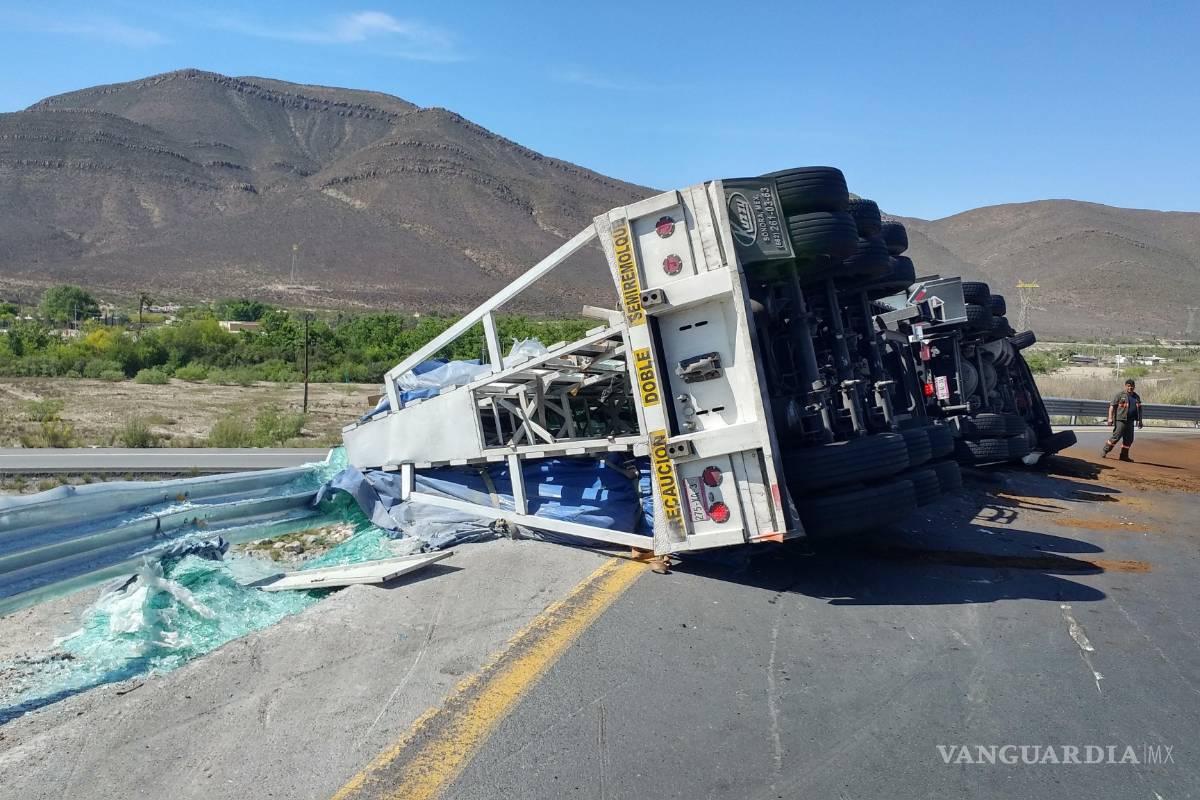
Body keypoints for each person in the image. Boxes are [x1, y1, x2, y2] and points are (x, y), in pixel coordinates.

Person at [1103, 379, 1143, 461]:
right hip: (1121, 420)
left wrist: (1140, 421)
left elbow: (1140, 410)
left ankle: (1124, 456)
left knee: (1129, 440)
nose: (1130, 388)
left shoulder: (1136, 397)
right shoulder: (1120, 395)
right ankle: (1105, 450)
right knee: (1116, 437)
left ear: (1134, 387)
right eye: (1128, 386)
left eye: (1132, 386)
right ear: (1125, 386)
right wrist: (1110, 418)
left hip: (1130, 421)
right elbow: (1112, 406)